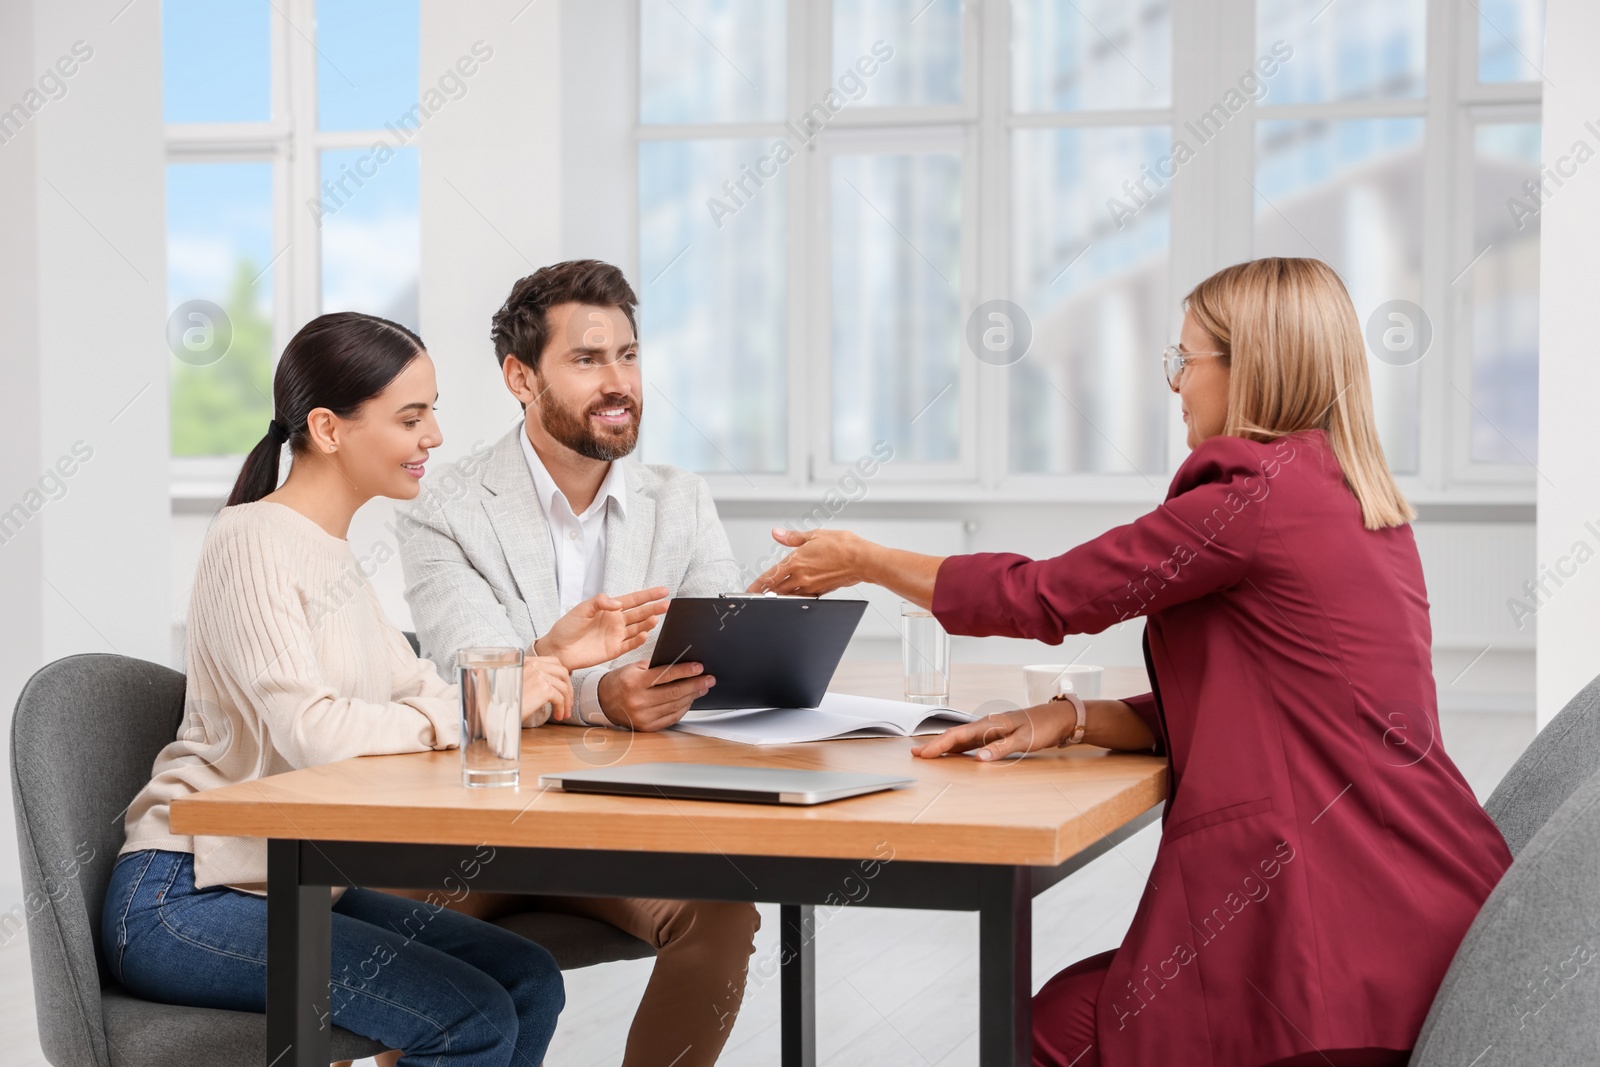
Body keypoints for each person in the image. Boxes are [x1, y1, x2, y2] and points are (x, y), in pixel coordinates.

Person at [746, 258, 1513, 1066]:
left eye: (1185, 360)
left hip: (1334, 933)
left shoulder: (1250, 502)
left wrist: (863, 557)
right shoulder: (1352, 497)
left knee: (1052, 1036)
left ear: (1248, 367)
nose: (1174, 385)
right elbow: (1291, 701)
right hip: (1418, 903)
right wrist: (1069, 718)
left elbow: (1045, 596)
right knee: (1063, 1017)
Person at [106, 311, 656, 1067]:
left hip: (288, 881)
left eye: (433, 412)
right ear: (329, 429)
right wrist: (472, 707)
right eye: (411, 416)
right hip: (188, 892)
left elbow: (432, 696)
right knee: (470, 1018)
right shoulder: (252, 540)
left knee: (527, 979)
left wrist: (508, 683)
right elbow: (317, 733)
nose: (433, 435)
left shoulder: (337, 563)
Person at [396, 259, 760, 1066]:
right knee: (389, 931)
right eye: (588, 360)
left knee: (725, 908)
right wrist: (606, 694)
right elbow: (477, 677)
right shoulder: (445, 508)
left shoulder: (680, 497)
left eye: (627, 355)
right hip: (478, 825)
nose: (618, 380)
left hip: (620, 823)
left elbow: (720, 656)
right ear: (521, 378)